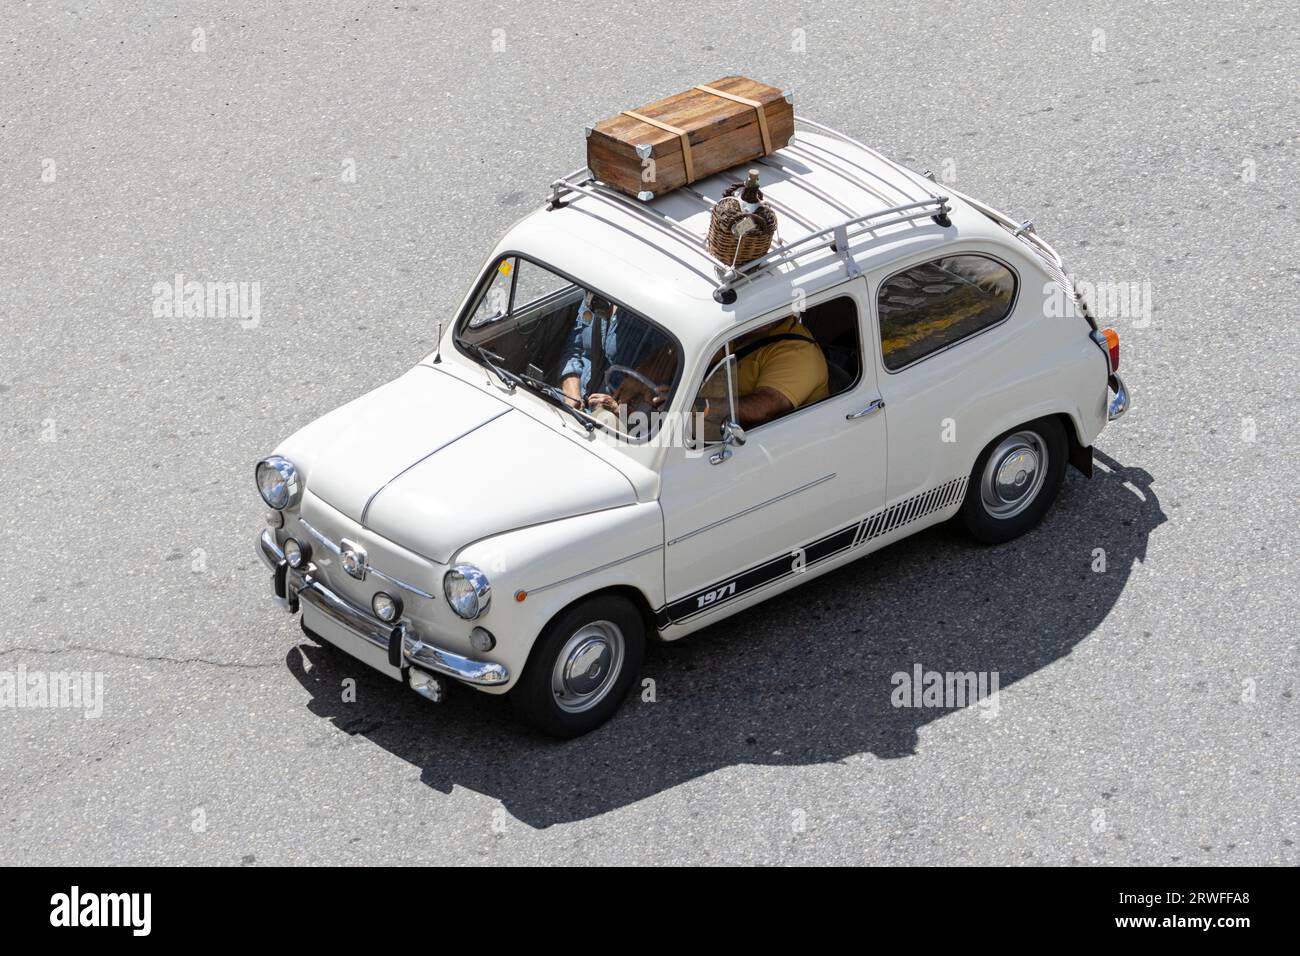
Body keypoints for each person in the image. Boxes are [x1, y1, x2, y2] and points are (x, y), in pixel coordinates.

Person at [721, 315, 829, 428]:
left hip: (763, 438)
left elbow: (761, 410)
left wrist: (705, 407)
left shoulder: (798, 353)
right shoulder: (741, 330)